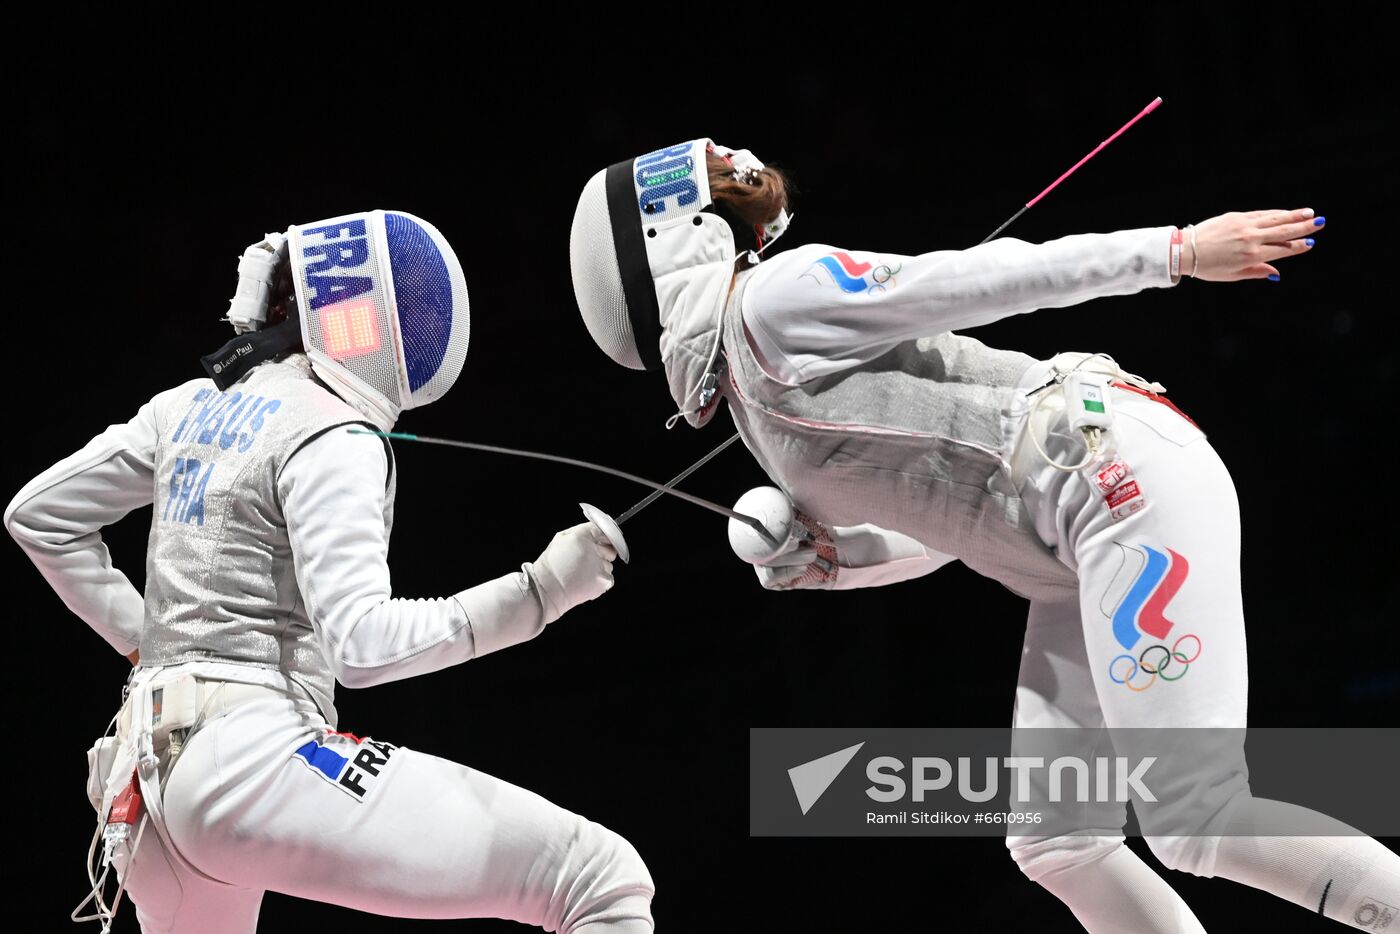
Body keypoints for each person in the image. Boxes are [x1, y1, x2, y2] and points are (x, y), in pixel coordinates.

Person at [567, 139, 1399, 931]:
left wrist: (1177, 251)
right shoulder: (759, 400)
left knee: (1194, 812)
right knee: (1056, 840)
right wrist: (834, 562)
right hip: (1074, 547)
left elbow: (983, 278)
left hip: (1119, 483)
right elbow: (951, 528)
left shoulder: (774, 301)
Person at [7, 210, 654, 933]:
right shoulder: (334, 433)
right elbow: (363, 646)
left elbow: (38, 516)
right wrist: (542, 592)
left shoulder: (183, 408)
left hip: (143, 792)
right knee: (597, 876)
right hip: (246, 762)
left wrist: (151, 645)